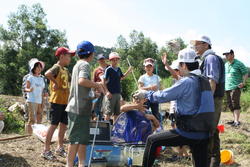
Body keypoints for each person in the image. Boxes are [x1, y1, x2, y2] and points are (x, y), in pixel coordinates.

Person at [142, 48, 214, 167]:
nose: (178, 69)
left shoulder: (186, 82)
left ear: (184, 65)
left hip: (187, 132)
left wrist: (146, 94)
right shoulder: (204, 80)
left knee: (151, 140)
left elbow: (163, 96)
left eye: (179, 65)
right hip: (204, 133)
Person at [66, 41, 104, 167]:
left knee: (82, 141)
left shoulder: (77, 64)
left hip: (81, 108)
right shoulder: (85, 65)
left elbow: (81, 90)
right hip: (78, 109)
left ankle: (82, 163)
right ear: (91, 53)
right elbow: (82, 81)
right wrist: (97, 84)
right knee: (75, 141)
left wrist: (93, 94)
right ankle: (69, 164)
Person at [191, 36, 225, 167]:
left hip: (213, 99)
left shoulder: (210, 58)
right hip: (212, 99)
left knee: (208, 130)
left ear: (206, 45)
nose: (195, 48)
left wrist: (206, 103)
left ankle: (210, 161)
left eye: (197, 44)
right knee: (212, 130)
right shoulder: (205, 59)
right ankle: (213, 161)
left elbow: (212, 81)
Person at [42, 47, 75, 160]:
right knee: (53, 125)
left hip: (65, 102)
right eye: (68, 56)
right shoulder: (56, 67)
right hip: (56, 101)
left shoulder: (65, 70)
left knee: (63, 126)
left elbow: (72, 82)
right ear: (61, 56)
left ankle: (60, 147)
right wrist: (55, 82)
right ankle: (46, 150)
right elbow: (47, 73)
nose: (70, 58)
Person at [102, 52, 132, 122]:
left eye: (116, 60)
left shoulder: (118, 69)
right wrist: (107, 92)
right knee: (108, 113)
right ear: (110, 61)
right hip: (111, 94)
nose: (115, 61)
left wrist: (128, 71)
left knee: (117, 114)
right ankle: (106, 131)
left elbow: (122, 77)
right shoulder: (108, 69)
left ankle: (114, 130)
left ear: (118, 60)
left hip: (118, 93)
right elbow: (103, 81)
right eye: (113, 60)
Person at [223, 49, 248, 127]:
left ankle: (237, 121)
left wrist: (243, 82)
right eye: (225, 55)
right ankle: (234, 120)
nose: (226, 56)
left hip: (236, 87)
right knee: (230, 104)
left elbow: (245, 72)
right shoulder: (226, 65)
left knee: (235, 103)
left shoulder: (239, 63)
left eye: (227, 54)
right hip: (227, 87)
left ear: (232, 55)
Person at [25, 58, 46, 135]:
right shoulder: (30, 77)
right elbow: (25, 88)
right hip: (32, 100)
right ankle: (29, 134)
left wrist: (44, 95)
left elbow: (42, 90)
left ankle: (37, 133)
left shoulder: (41, 79)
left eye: (40, 67)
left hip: (39, 100)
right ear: (33, 68)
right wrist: (29, 90)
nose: (39, 69)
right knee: (32, 118)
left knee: (39, 117)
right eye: (37, 67)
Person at [92, 54, 109, 120]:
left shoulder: (109, 68)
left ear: (105, 59)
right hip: (99, 92)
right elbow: (93, 82)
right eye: (100, 59)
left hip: (109, 91)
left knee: (108, 110)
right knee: (97, 109)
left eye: (102, 59)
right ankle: (97, 121)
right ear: (98, 61)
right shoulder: (96, 70)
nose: (102, 60)